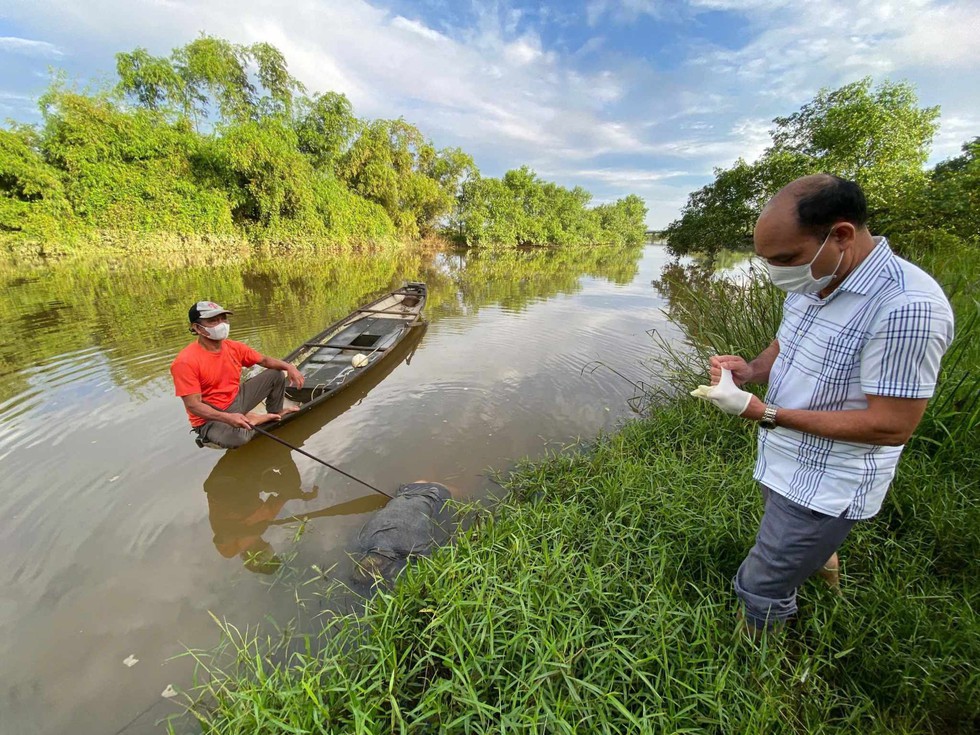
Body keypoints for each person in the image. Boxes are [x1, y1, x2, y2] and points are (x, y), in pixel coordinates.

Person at [694, 174, 954, 633]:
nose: (778, 272)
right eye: (768, 261)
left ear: (840, 235)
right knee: (800, 547)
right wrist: (751, 370)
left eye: (786, 258)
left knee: (760, 584)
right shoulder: (818, 277)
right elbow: (788, 340)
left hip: (827, 482)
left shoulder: (908, 306)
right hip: (784, 460)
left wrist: (763, 413)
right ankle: (826, 581)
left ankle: (763, 673)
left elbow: (891, 426)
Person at [171, 300, 305, 448]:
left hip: (237, 398)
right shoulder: (185, 362)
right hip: (210, 419)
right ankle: (255, 419)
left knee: (276, 374)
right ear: (197, 327)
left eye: (223, 318)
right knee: (239, 438)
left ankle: (276, 412)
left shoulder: (234, 347)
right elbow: (194, 406)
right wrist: (228, 418)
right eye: (212, 321)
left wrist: (289, 367)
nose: (221, 324)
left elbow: (265, 360)